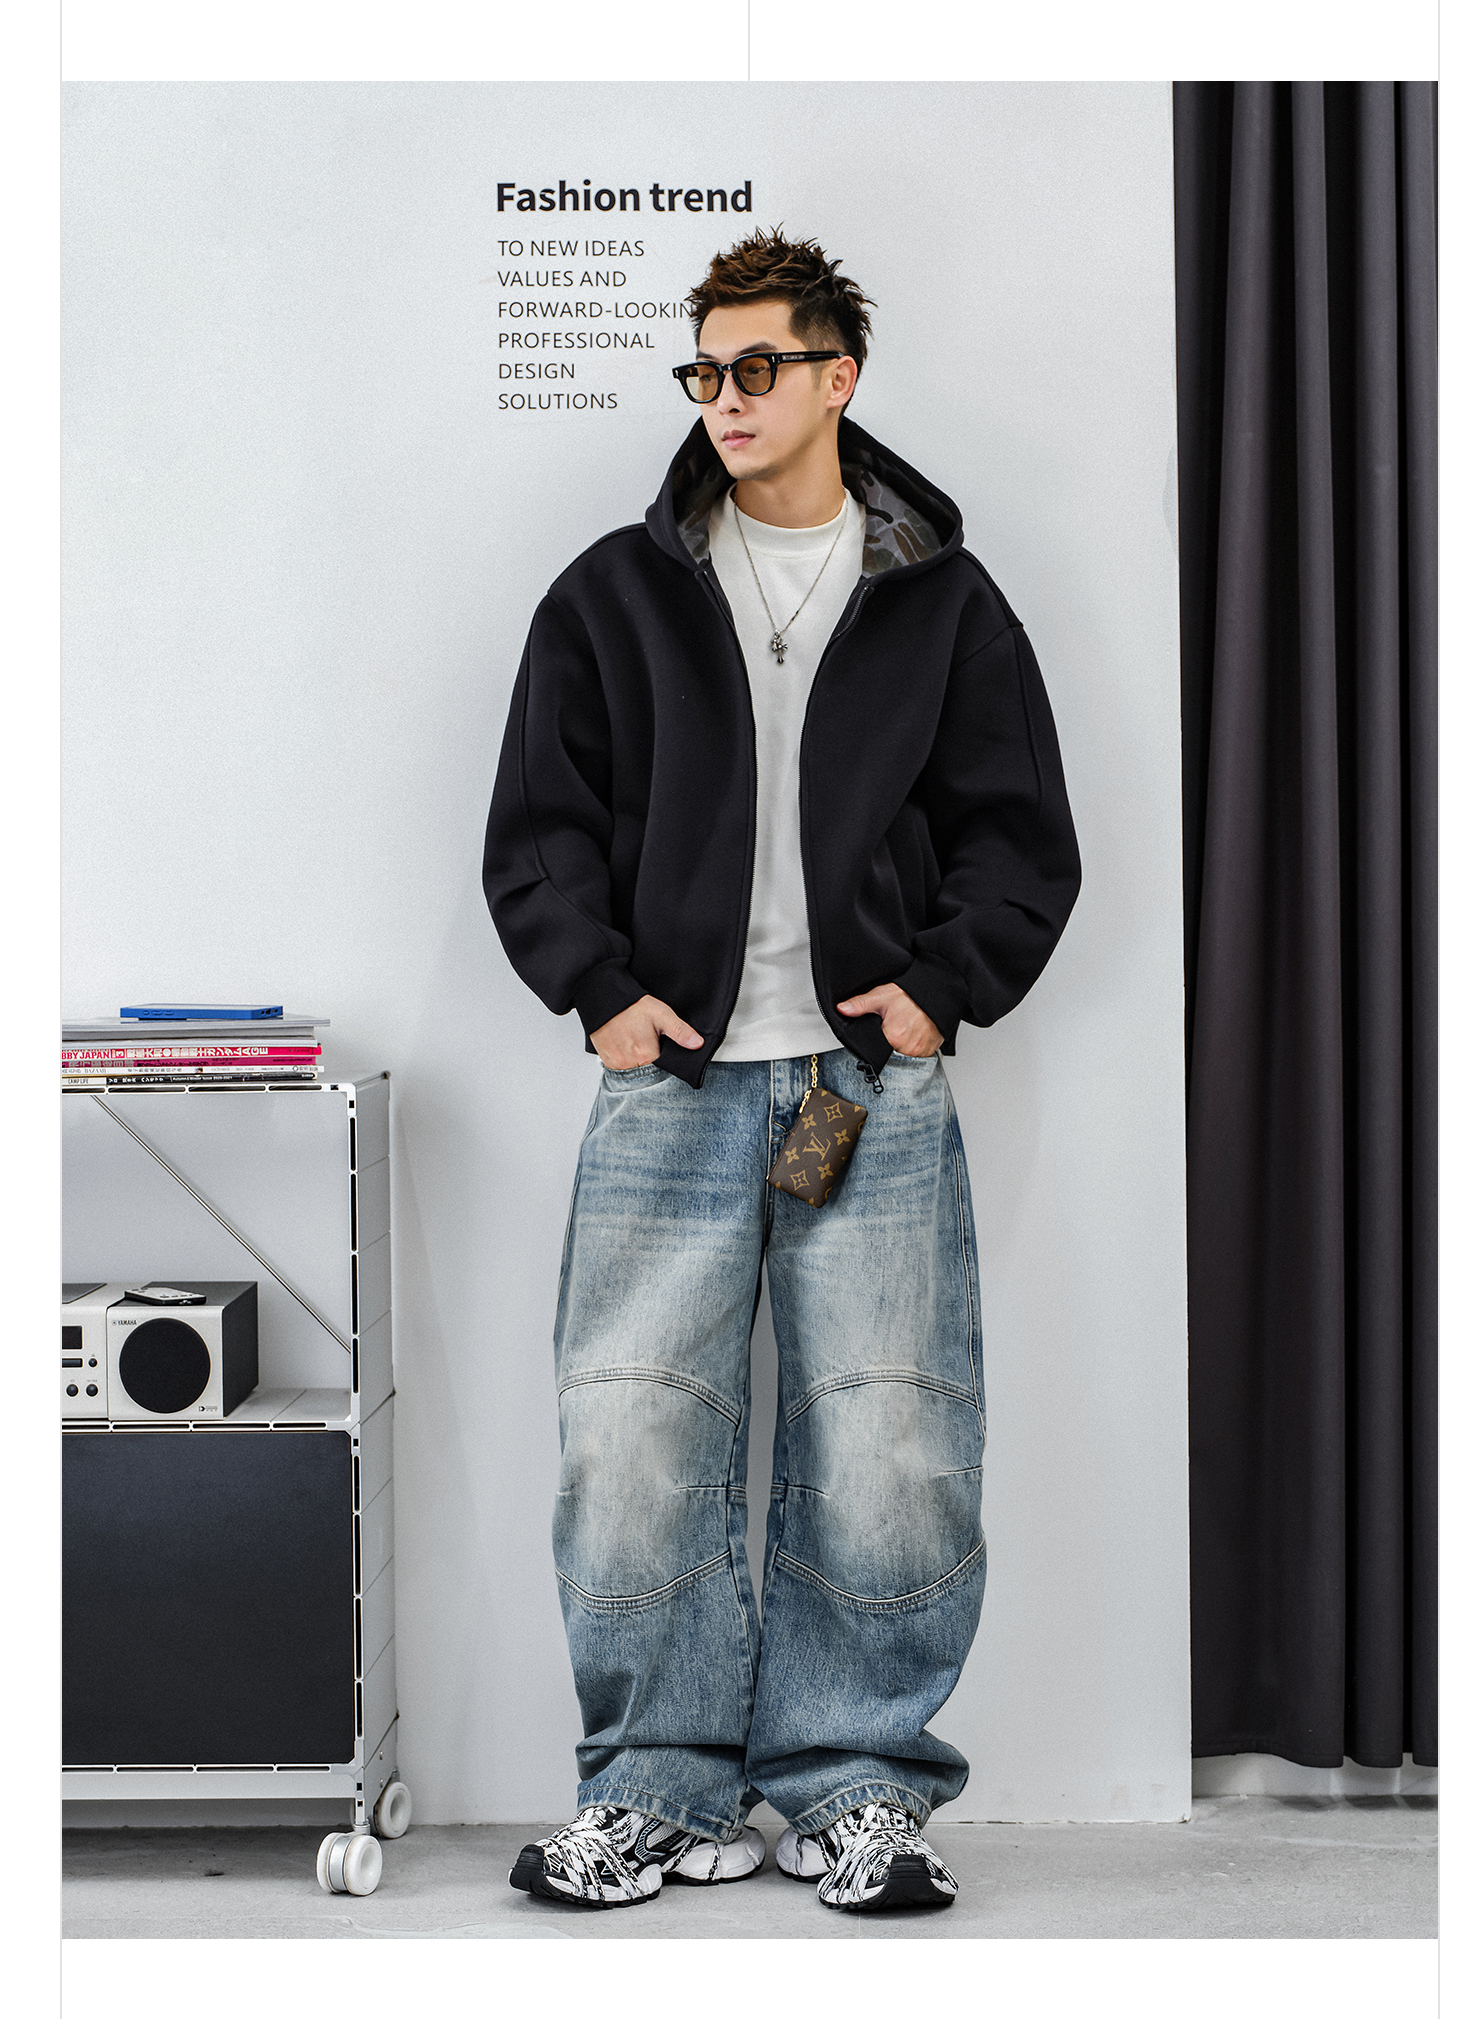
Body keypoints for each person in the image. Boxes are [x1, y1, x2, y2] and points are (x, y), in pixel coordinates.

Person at [483, 227, 1081, 1912]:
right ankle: (655, 1792)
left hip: (865, 1091)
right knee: (628, 1444)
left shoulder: (942, 601)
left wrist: (936, 993)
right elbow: (536, 824)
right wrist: (600, 990)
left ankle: (857, 1793)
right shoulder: (614, 592)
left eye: (759, 367)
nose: (726, 398)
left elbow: (1020, 835)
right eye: (706, 370)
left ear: (839, 376)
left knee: (891, 1448)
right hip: (665, 1084)